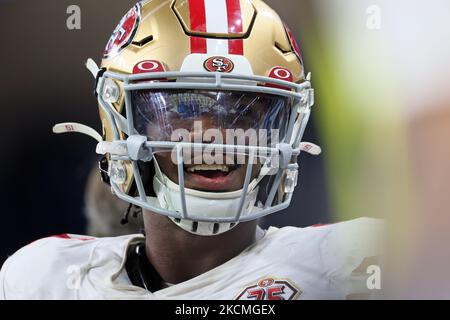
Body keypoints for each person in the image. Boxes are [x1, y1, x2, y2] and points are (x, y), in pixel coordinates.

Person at [0, 0, 382, 300]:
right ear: (122, 120)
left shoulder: (347, 266)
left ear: (285, 130)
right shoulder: (44, 280)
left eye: (242, 111)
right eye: (183, 107)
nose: (211, 133)